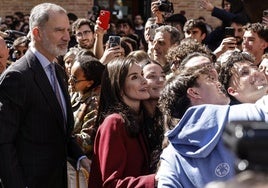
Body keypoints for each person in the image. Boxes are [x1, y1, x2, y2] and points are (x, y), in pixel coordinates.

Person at [0, 3, 91, 188]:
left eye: (68, 30)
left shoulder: (57, 71)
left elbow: (61, 132)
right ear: (37, 33)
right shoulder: (17, 77)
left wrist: (80, 157)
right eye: (59, 30)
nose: (67, 37)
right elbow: (3, 143)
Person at [156, 57, 268, 188]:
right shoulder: (245, 114)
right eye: (210, 80)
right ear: (194, 92)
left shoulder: (170, 155)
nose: (219, 83)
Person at [88, 57, 156, 187]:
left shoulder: (141, 119)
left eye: (142, 74)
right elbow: (110, 183)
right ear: (118, 87)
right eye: (134, 77)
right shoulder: (114, 123)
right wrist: (155, 180)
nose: (144, 80)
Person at [68, 54, 105, 188]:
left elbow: (87, 141)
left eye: (75, 79)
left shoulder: (95, 102)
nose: (70, 82)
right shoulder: (74, 94)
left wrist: (60, 136)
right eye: (70, 76)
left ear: (90, 82)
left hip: (81, 170)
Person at [141, 60, 166, 173]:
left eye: (163, 76)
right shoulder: (132, 121)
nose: (160, 80)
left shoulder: (173, 117)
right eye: (152, 76)